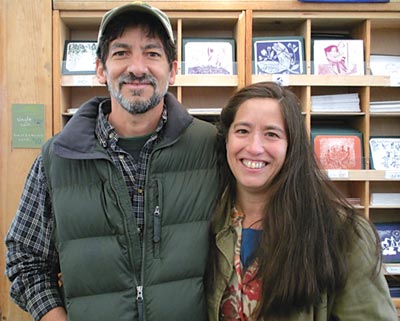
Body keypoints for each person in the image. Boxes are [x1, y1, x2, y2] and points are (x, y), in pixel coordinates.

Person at [5, 3, 218, 321]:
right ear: (101, 68)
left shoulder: (211, 148)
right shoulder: (56, 159)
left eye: (152, 53)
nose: (137, 67)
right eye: (121, 53)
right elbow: (25, 259)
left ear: (172, 69)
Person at [207, 81, 397, 321]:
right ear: (226, 140)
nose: (254, 147)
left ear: (292, 145)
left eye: (271, 134)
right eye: (242, 131)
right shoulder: (206, 219)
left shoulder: (346, 234)